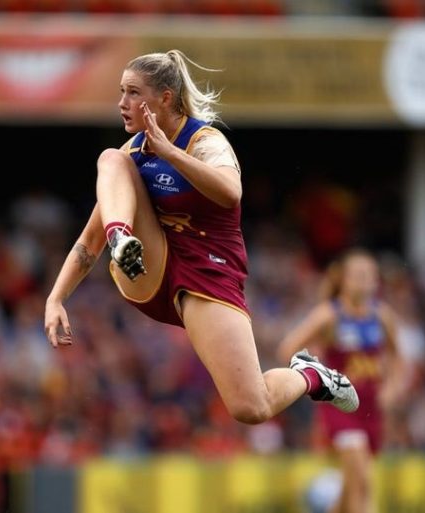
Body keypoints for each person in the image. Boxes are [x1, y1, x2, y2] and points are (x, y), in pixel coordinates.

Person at [44, 49, 358, 425]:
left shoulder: (206, 142)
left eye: (132, 93)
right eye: (121, 92)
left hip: (208, 275)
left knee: (250, 407)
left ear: (165, 98)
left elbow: (231, 192)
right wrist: (57, 297)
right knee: (111, 159)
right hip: (149, 266)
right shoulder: (132, 155)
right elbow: (88, 241)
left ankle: (311, 375)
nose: (121, 103)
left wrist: (169, 153)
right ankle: (123, 239)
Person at [277, 248, 406, 513]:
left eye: (369, 275)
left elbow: (397, 357)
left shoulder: (382, 316)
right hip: (341, 405)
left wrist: (392, 388)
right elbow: (288, 348)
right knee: (363, 479)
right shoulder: (329, 314)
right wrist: (317, 380)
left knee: (352, 482)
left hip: (372, 407)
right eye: (358, 275)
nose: (364, 281)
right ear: (343, 280)